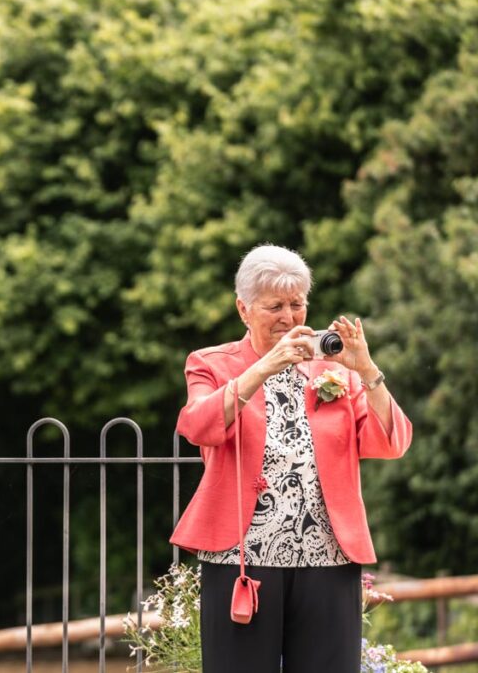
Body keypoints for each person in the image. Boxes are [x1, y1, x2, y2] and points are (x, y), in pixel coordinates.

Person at [170, 244, 412, 672]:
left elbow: (391, 444)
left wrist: (367, 370)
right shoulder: (211, 364)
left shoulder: (337, 372)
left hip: (329, 557)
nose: (289, 316)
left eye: (297, 304)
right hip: (242, 557)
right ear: (243, 309)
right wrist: (264, 367)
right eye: (274, 306)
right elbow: (197, 426)